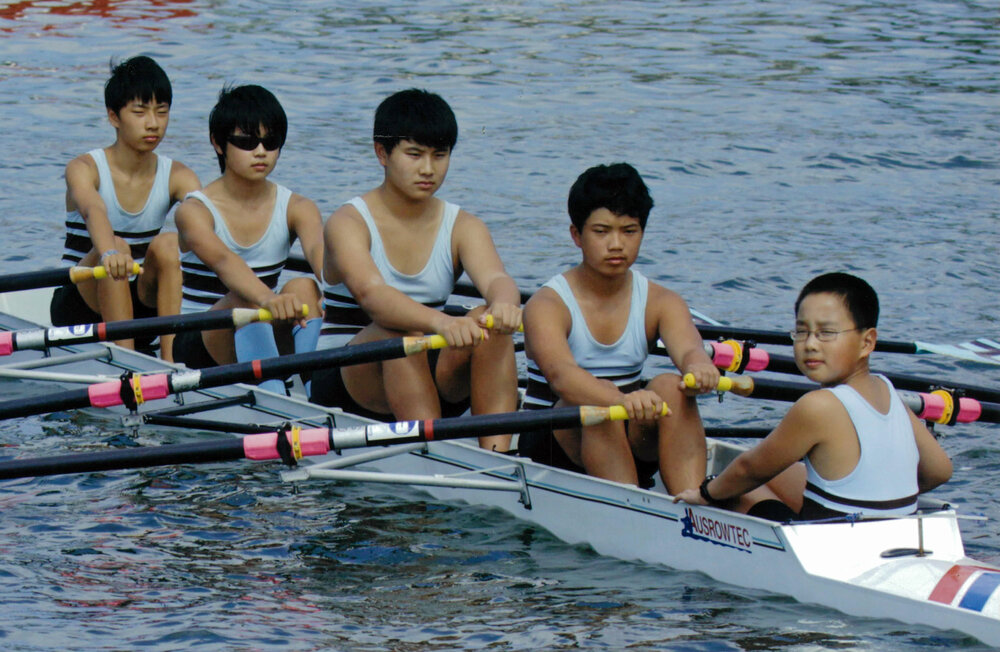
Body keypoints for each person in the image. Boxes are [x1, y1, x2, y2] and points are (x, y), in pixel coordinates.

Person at [310, 88, 520, 452]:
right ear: (382, 153)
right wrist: (442, 323)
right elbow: (373, 296)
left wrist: (503, 305)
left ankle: (499, 456)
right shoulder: (348, 221)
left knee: (488, 321)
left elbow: (498, 280)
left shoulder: (464, 226)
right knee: (401, 330)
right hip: (349, 376)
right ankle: (432, 453)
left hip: (430, 366)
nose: (428, 169)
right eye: (414, 154)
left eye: (440, 155)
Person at [674, 272, 953, 520]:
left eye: (826, 333)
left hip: (830, 551)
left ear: (867, 342)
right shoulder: (886, 389)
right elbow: (940, 470)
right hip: (896, 537)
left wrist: (706, 493)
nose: (810, 345)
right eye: (802, 331)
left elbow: (750, 469)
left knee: (737, 488)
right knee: (778, 470)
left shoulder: (818, 406)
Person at [520, 163, 719, 491]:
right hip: (553, 442)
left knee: (672, 386)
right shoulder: (548, 304)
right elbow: (563, 377)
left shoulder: (661, 301)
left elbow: (688, 348)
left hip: (625, 429)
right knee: (598, 403)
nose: (616, 244)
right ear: (576, 235)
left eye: (629, 231)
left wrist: (699, 367)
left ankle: (692, 501)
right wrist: (620, 401)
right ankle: (627, 507)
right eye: (602, 231)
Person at [173, 84, 324, 395]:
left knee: (305, 287)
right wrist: (268, 299)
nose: (260, 152)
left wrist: (348, 293)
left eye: (270, 142)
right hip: (198, 342)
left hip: (260, 327)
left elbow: (323, 259)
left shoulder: (299, 208)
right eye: (246, 141)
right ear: (218, 143)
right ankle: (274, 399)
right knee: (246, 299)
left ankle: (316, 388)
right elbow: (225, 261)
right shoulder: (194, 210)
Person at [52, 55, 201, 361]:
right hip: (79, 305)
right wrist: (108, 252)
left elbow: (208, 220)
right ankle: (127, 363)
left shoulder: (179, 176)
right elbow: (94, 210)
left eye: (162, 112)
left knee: (171, 243)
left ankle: (172, 365)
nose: (153, 123)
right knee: (117, 247)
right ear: (113, 117)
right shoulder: (84, 168)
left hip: (140, 303)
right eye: (140, 112)